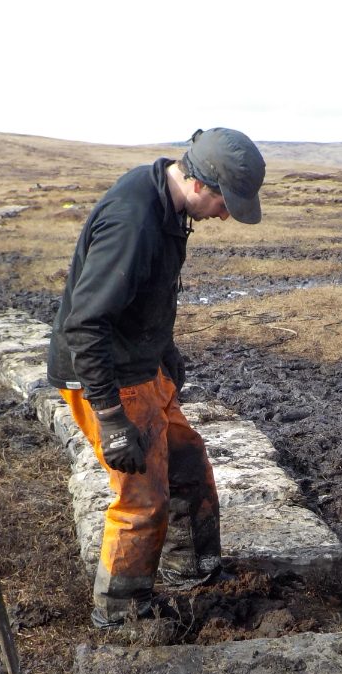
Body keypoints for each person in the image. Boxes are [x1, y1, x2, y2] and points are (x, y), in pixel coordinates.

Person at [46, 127, 266, 631]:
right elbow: (86, 323)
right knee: (142, 498)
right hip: (107, 378)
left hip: (141, 367)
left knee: (187, 459)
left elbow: (148, 294)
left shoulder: (167, 207)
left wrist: (164, 351)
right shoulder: (134, 221)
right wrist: (110, 417)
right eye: (226, 203)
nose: (226, 215)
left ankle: (194, 570)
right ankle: (122, 615)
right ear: (200, 184)